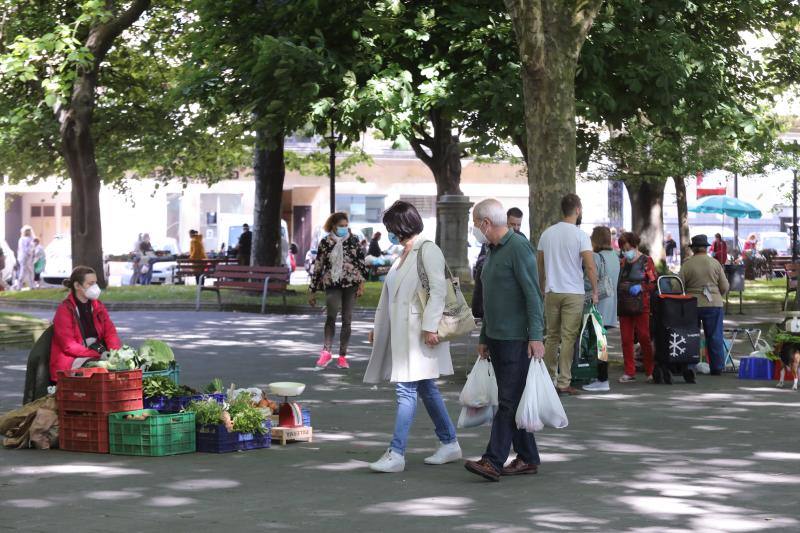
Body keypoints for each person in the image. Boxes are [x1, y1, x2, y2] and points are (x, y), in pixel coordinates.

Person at [364, 201, 460, 473]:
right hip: (407, 335)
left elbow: (439, 291)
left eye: (390, 228)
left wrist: (431, 327)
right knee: (426, 389)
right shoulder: (403, 255)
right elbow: (391, 298)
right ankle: (449, 442)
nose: (388, 233)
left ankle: (397, 452)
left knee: (406, 391)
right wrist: (378, 327)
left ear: (400, 227)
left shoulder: (427, 250)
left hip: (420, 335)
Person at [463, 199, 544, 482]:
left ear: (486, 223)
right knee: (513, 398)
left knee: (508, 401)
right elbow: (490, 299)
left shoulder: (519, 248)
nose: (474, 229)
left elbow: (533, 295)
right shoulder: (492, 249)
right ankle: (528, 457)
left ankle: (492, 460)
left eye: (475, 224)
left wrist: (536, 335)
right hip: (496, 337)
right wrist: (484, 336)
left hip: (515, 338)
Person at [538, 194, 598, 395]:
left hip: (552, 291)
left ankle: (547, 377)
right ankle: (564, 381)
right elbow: (589, 266)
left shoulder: (547, 234)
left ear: (561, 210)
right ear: (578, 210)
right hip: (573, 292)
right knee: (568, 338)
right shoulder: (580, 235)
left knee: (552, 336)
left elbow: (540, 264)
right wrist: (596, 290)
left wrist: (542, 285)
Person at [309, 212, 368, 370]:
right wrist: (312, 290)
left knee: (347, 320)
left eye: (346, 225)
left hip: (351, 283)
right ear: (333, 226)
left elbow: (361, 263)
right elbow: (318, 266)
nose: (344, 228)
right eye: (341, 226)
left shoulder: (354, 240)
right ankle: (326, 352)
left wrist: (361, 284)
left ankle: (342, 356)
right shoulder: (325, 242)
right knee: (331, 316)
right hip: (332, 283)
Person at [50, 266, 122, 382]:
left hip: (95, 353)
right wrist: (97, 355)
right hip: (71, 359)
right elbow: (68, 345)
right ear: (77, 286)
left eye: (95, 283)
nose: (95, 287)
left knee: (121, 369)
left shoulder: (98, 306)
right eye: (90, 283)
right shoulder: (65, 309)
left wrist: (115, 353)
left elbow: (110, 332)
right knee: (101, 373)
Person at [679, 235, 730, 375]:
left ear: (693, 249)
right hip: (713, 303)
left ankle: (690, 366)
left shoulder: (687, 264)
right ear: (706, 248)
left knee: (691, 335)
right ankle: (717, 367)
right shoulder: (715, 263)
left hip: (692, 303)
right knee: (715, 336)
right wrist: (717, 295)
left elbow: (676, 285)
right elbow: (725, 286)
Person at [583, 227, 620, 392]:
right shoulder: (614, 256)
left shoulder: (596, 257)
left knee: (599, 343)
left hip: (599, 305)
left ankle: (602, 378)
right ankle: (600, 376)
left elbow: (589, 281)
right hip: (611, 304)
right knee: (602, 342)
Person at [617, 232, 657, 383]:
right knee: (626, 339)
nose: (626, 251)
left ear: (635, 245)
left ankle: (650, 370)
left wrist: (641, 287)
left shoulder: (646, 261)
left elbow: (653, 282)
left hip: (642, 304)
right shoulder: (622, 262)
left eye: (628, 247)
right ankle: (629, 371)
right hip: (625, 305)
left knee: (644, 337)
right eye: (623, 248)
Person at [472, 207, 525, 320]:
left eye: (518, 225)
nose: (516, 228)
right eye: (512, 224)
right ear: (506, 222)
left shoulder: (520, 243)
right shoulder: (491, 241)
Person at [16, 226, 35, 290]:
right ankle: (19, 286)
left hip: (29, 257)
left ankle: (31, 285)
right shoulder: (22, 239)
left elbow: (32, 248)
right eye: (27, 231)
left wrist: (31, 255)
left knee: (30, 271)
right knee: (23, 271)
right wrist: (28, 254)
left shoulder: (30, 239)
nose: (28, 232)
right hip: (24, 257)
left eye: (29, 231)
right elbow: (23, 249)